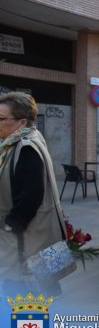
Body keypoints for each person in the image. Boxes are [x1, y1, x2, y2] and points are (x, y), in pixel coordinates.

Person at [0, 92, 64, 295]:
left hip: (25, 246)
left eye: (1, 118)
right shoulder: (18, 141)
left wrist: (10, 225)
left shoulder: (25, 147)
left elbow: (31, 196)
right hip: (27, 244)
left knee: (25, 306)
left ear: (21, 122)